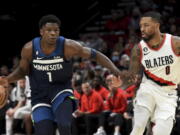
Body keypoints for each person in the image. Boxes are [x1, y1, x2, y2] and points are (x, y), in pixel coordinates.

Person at [0, 14, 121, 135]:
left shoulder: (68, 46)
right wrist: (8, 79)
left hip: (61, 91)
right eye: (49, 30)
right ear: (41, 31)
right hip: (40, 95)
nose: (53, 33)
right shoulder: (29, 49)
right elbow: (22, 70)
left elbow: (96, 55)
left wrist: (115, 70)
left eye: (56, 30)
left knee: (64, 123)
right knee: (44, 131)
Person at [129, 11, 180, 135]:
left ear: (157, 25)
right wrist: (120, 81)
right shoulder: (138, 49)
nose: (142, 29)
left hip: (169, 92)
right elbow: (131, 77)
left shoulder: (175, 43)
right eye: (141, 26)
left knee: (162, 132)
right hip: (148, 88)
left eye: (146, 25)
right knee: (138, 127)